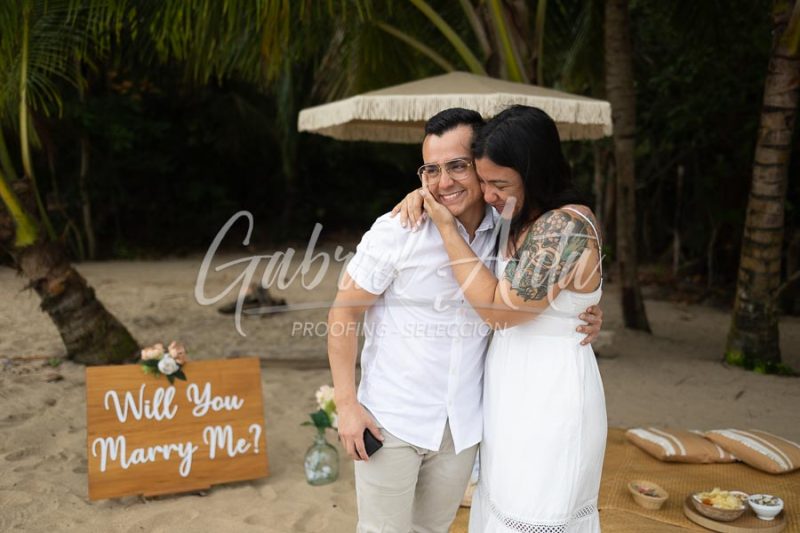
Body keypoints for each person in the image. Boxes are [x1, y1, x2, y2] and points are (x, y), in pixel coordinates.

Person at [327, 108, 603, 533]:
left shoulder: (507, 226)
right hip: (393, 420)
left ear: (481, 164)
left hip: (464, 427)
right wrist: (346, 406)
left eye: (457, 166)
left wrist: (576, 312)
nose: (443, 182)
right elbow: (343, 312)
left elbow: (548, 282)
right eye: (431, 170)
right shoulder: (399, 230)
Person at [416, 105, 607, 532]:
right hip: (510, 392)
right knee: (503, 505)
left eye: (499, 183)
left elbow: (499, 311)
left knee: (536, 510)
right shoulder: (518, 218)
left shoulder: (564, 226)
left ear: (534, 173)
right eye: (483, 181)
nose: (487, 195)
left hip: (550, 395)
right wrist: (420, 196)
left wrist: (446, 229)